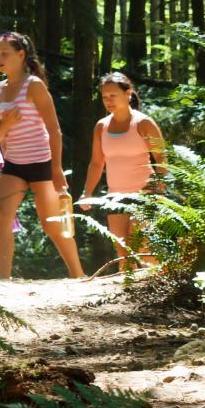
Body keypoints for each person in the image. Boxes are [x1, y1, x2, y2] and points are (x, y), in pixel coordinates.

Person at [0, 31, 85, 280]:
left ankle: (78, 276)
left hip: (42, 163)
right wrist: (7, 123)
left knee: (52, 225)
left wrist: (56, 169)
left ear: (21, 55)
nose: (0, 59)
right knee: (2, 217)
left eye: (5, 54)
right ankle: (2, 279)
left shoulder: (34, 85)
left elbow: (54, 129)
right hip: (13, 164)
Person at [79, 71, 167, 274]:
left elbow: (161, 158)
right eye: (104, 97)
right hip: (115, 196)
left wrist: (158, 189)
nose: (108, 101)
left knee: (141, 247)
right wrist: (87, 192)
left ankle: (159, 285)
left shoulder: (144, 123)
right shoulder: (101, 127)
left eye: (113, 95)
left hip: (145, 194)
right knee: (123, 253)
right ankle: (128, 292)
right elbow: (96, 163)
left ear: (128, 94)